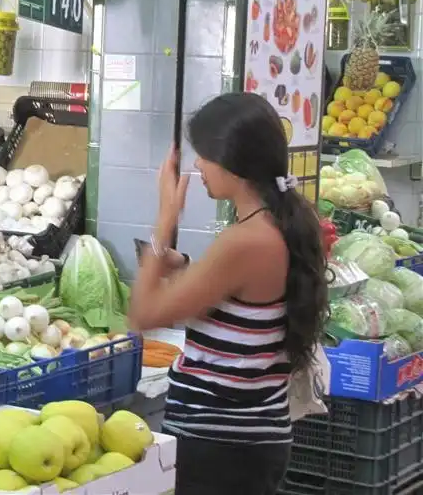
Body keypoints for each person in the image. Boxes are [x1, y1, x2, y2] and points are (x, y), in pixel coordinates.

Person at [129, 93, 328, 495]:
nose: (198, 167)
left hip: (219, 446)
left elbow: (143, 315)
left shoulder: (247, 240)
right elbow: (248, 299)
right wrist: (186, 267)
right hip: (247, 442)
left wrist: (167, 214)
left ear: (232, 164)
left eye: (203, 156)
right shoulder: (273, 224)